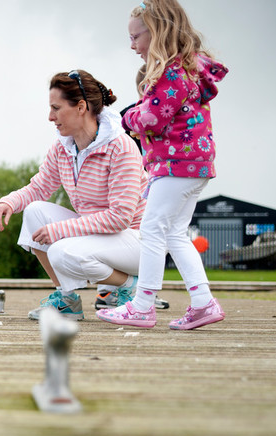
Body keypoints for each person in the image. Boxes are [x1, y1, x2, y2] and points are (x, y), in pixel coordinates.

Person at [97, 0, 228, 330]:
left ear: (156, 33)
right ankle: (203, 302)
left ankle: (142, 306)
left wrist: (127, 117)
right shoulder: (187, 69)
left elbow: (152, 118)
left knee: (152, 231)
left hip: (176, 164)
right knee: (174, 234)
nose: (132, 45)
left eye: (135, 37)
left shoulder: (171, 72)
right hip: (194, 164)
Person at [0, 69, 148, 321]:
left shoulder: (121, 147)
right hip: (100, 236)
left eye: (56, 108)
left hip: (137, 241)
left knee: (61, 251)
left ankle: (130, 286)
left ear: (81, 107)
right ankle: (67, 300)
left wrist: (60, 230)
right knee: (34, 212)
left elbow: (120, 218)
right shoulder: (63, 147)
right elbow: (39, 188)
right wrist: (8, 201)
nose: (50, 117)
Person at [96, 64, 170, 312]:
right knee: (141, 236)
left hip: (135, 181)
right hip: (134, 183)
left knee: (132, 237)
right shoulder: (133, 116)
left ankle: (118, 291)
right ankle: (121, 291)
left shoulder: (131, 115)